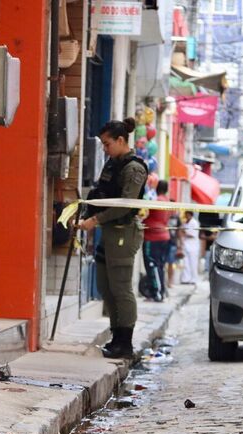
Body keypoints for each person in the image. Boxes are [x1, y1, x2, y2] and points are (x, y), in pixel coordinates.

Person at [77, 118, 147, 359]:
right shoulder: (113, 164)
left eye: (107, 144)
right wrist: (87, 212)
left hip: (123, 233)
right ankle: (116, 337)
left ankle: (125, 343)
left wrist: (95, 220)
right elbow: (102, 193)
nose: (105, 149)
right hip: (108, 232)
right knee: (106, 287)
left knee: (121, 289)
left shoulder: (134, 168)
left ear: (120, 140)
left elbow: (123, 205)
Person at [141, 180, 171, 301]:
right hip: (164, 236)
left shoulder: (156, 200)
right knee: (159, 266)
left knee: (152, 264)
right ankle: (160, 291)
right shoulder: (168, 202)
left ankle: (157, 293)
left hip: (153, 237)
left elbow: (145, 213)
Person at [180, 211, 201, 284]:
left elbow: (193, 234)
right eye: (186, 215)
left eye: (187, 215)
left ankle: (194, 279)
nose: (186, 216)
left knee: (193, 263)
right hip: (186, 245)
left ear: (191, 215)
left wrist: (184, 232)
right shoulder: (185, 223)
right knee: (186, 263)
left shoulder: (194, 223)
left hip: (193, 246)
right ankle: (186, 279)